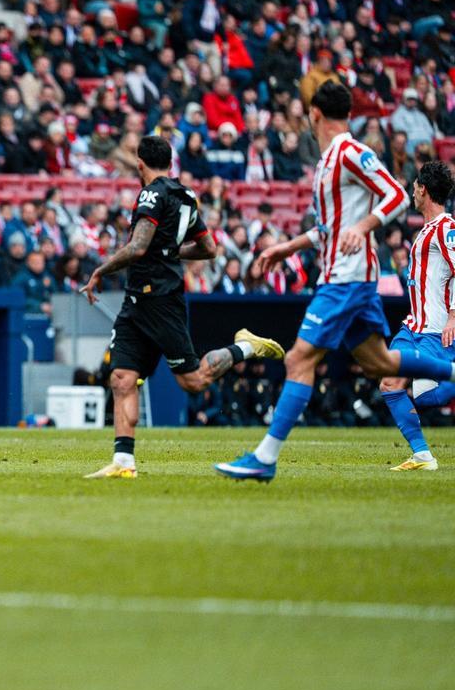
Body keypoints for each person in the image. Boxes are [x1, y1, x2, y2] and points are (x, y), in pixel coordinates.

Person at [216, 82, 455, 481]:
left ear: (314, 114)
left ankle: (265, 458)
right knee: (382, 367)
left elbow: (395, 194)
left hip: (347, 281)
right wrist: (286, 247)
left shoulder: (351, 152)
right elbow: (327, 228)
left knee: (298, 359)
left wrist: (363, 226)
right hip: (345, 279)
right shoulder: (328, 161)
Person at [79, 136, 285, 478]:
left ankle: (244, 346)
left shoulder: (150, 194)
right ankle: (123, 462)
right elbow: (208, 247)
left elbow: (138, 246)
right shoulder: (185, 196)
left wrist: (101, 270)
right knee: (122, 377)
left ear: (141, 164)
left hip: (160, 299)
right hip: (137, 300)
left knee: (193, 381)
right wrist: (172, 251)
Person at [378, 162, 455, 472]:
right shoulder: (426, 229)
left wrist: (453, 315)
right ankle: (423, 455)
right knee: (389, 382)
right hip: (414, 326)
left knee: (426, 396)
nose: (412, 191)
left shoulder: (447, 227)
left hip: (435, 328)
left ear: (423, 189)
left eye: (414, 186)